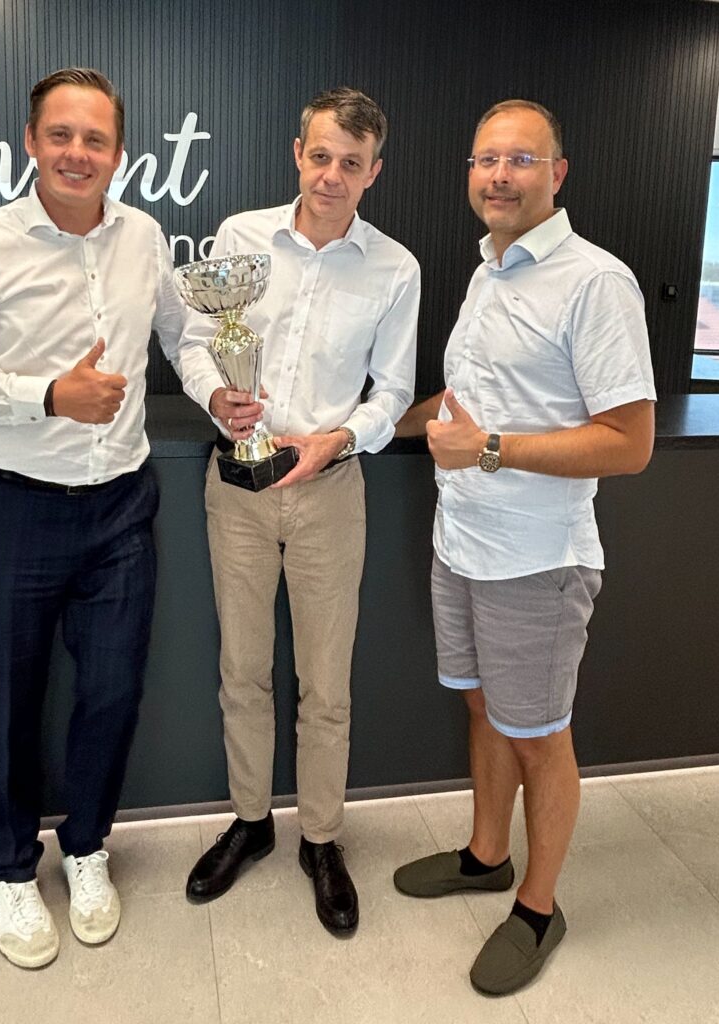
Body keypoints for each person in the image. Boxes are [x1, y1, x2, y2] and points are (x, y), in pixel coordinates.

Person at [0, 67, 185, 969]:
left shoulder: (144, 236)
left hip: (121, 506)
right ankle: (6, 869)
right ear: (31, 142)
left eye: (96, 139)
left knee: (112, 691)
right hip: (11, 506)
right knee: (5, 701)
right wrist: (47, 395)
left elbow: (184, 335)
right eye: (61, 136)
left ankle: (87, 848)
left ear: (121, 153)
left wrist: (225, 394)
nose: (79, 153)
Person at [392, 100, 655, 994]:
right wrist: (379, 423)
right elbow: (468, 398)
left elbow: (630, 441)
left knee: (540, 734)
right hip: (461, 541)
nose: (499, 175)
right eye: (485, 159)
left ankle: (539, 908)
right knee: (482, 709)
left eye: (520, 160)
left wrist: (493, 450)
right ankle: (486, 855)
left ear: (558, 173)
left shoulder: (595, 281)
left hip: (538, 561)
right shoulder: (490, 269)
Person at [176, 87, 420, 936]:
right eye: (321, 156)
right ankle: (251, 822)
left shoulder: (396, 268)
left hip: (328, 492)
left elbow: (394, 392)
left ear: (373, 172)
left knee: (327, 685)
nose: (332, 174)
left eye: (352, 163)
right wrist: (217, 399)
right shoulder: (241, 238)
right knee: (241, 669)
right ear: (297, 154)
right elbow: (194, 339)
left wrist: (339, 439)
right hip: (235, 491)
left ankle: (322, 838)